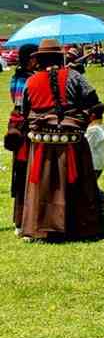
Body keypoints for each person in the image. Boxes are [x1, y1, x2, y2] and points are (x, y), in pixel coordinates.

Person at [16, 39, 104, 241]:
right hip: (71, 141)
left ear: (39, 59)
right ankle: (80, 227)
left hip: (41, 143)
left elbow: (24, 112)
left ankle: (43, 227)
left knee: (43, 183)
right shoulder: (74, 76)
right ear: (60, 57)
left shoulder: (31, 82)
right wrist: (80, 118)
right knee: (79, 184)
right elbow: (95, 104)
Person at [5, 44, 38, 229]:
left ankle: (20, 218)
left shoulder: (14, 77)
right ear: (31, 59)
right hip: (26, 128)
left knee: (20, 170)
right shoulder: (31, 79)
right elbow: (29, 105)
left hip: (16, 126)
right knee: (27, 170)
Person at [85, 103, 104, 213]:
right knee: (89, 185)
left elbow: (86, 146)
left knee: (87, 185)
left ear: (92, 116)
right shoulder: (100, 127)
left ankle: (103, 200)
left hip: (93, 164)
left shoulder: (94, 130)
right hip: (98, 164)